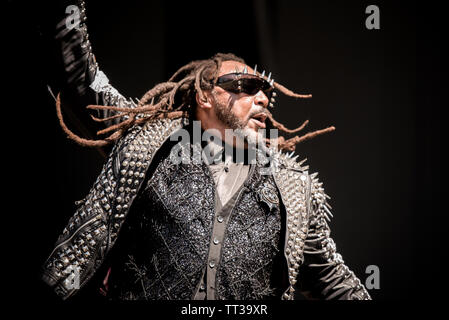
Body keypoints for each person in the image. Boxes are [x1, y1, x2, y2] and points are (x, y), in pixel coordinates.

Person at [41, 1, 371, 300]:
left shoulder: (293, 188)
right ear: (205, 96)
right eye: (247, 87)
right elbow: (80, 78)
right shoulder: (150, 145)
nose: (263, 99)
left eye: (266, 92)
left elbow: (332, 279)